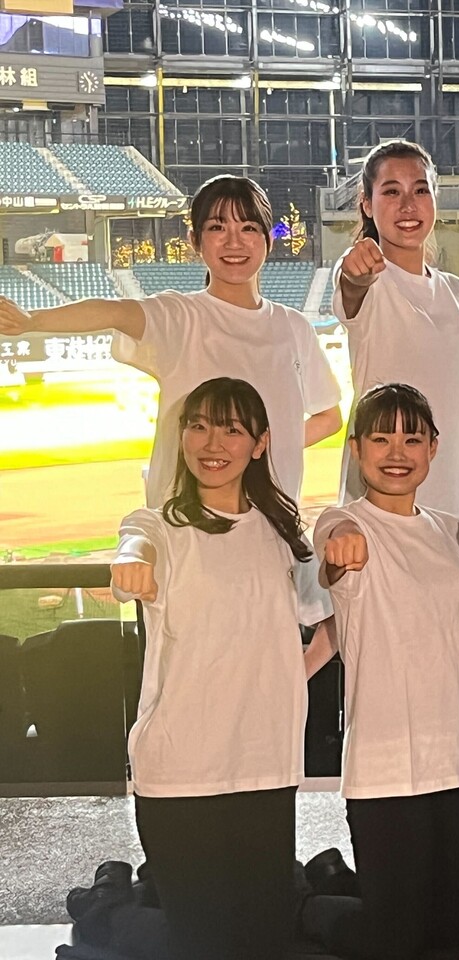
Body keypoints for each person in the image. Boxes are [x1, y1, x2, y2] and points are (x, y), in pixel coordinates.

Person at [110, 378, 327, 960]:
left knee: (265, 938)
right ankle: (109, 915)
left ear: (260, 443)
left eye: (232, 429)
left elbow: (330, 617)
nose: (213, 443)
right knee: (201, 941)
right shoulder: (158, 526)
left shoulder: (282, 533)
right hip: (181, 771)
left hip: (265, 768)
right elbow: (134, 546)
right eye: (199, 425)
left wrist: (291, 675)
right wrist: (130, 563)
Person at [0, 175, 342, 508]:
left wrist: (263, 447)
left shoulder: (294, 327)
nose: (234, 242)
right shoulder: (179, 316)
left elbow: (329, 416)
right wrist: (32, 321)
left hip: (271, 523)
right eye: (217, 227)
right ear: (195, 240)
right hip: (184, 522)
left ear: (268, 239)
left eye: (249, 228)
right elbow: (111, 312)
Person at [307, 383, 459, 959]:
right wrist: (341, 548)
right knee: (398, 938)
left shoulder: (455, 533)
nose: (396, 453)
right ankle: (307, 908)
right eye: (380, 439)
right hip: (385, 770)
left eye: (412, 439)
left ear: (433, 448)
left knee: (455, 930)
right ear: (356, 449)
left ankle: (322, 889)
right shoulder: (345, 522)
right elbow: (335, 548)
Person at [332, 140, 459, 519]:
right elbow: (352, 286)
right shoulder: (368, 277)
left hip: (454, 509)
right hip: (380, 516)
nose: (408, 205)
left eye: (421, 190)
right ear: (366, 203)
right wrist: (355, 274)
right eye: (392, 192)